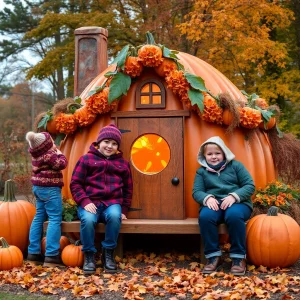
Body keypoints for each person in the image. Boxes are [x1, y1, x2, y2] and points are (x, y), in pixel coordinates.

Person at [70, 124, 133, 274]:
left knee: (114, 216)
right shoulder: (86, 159)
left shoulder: (122, 164)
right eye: (106, 142)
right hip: (90, 202)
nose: (109, 146)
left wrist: (124, 209)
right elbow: (75, 183)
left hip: (112, 202)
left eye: (114, 143)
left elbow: (128, 189)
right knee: (89, 219)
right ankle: (89, 255)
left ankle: (108, 253)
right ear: (99, 142)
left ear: (118, 146)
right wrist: (85, 201)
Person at [192, 136, 255, 276]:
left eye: (217, 153)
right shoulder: (202, 172)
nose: (214, 157)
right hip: (214, 203)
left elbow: (249, 185)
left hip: (237, 203)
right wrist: (206, 198)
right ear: (204, 156)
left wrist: (234, 196)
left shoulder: (236, 166)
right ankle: (213, 256)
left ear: (224, 153)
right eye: (209, 154)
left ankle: (238, 258)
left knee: (234, 215)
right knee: (205, 216)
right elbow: (197, 191)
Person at [26, 131, 68, 267]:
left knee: (39, 216)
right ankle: (51, 255)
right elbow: (62, 164)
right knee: (55, 218)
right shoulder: (49, 155)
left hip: (38, 188)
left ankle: (33, 253)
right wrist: (60, 154)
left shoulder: (36, 154)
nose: (54, 144)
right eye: (52, 142)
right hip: (50, 189)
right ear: (47, 146)